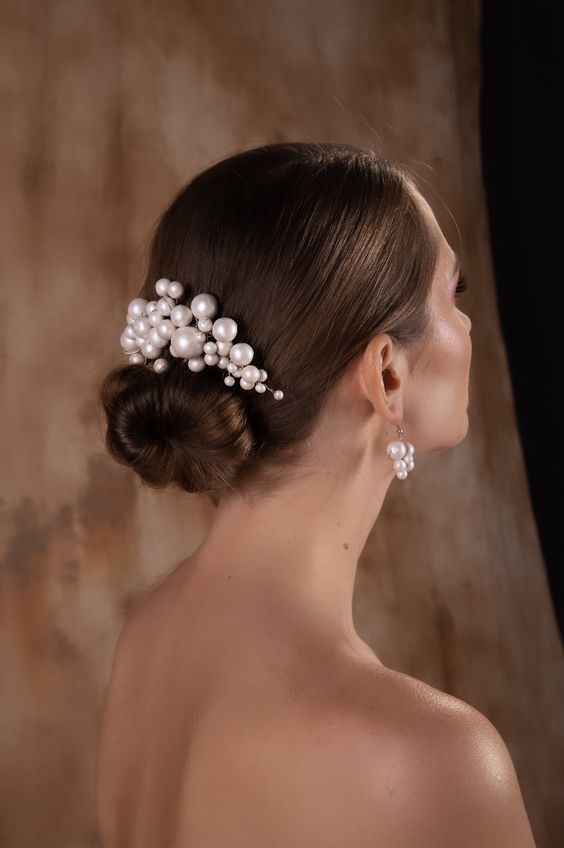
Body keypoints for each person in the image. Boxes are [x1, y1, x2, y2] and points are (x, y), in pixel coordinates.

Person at [95, 142, 536, 846]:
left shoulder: (148, 634)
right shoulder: (434, 761)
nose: (470, 326)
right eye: (453, 294)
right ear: (386, 376)